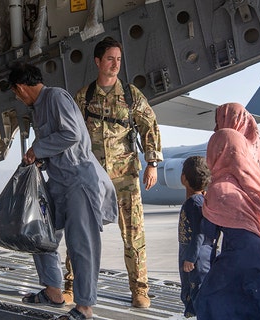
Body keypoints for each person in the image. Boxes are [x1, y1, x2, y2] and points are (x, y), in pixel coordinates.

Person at [8, 62, 118, 320]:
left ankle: (84, 307)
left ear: (21, 88)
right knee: (39, 233)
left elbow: (72, 135)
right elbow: (57, 146)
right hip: (58, 182)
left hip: (79, 181)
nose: (17, 97)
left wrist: (39, 148)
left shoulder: (55, 97)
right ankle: (53, 290)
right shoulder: (38, 108)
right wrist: (39, 158)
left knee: (82, 245)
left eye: (15, 92)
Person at [68, 36, 163, 308]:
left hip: (125, 178)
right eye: (110, 58)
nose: (115, 64)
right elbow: (70, 134)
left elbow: (150, 126)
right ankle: (70, 286)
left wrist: (152, 163)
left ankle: (140, 290)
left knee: (133, 236)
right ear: (98, 61)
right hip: (91, 178)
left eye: (118, 59)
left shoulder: (131, 95)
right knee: (80, 232)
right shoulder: (83, 97)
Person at [196, 128, 260, 319]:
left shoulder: (219, 189)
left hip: (239, 260)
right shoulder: (255, 183)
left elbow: (207, 238)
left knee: (209, 304)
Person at [177, 156, 213, 318]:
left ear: (184, 178)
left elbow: (199, 232)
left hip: (194, 255)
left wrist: (190, 258)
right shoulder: (203, 200)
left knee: (197, 293)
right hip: (201, 253)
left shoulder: (193, 203)